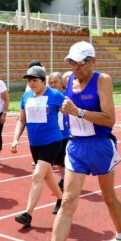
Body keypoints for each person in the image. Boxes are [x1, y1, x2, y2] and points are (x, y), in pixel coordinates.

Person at [31, 41, 121, 241]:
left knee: (108, 197)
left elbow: (109, 119)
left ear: (92, 61)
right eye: (71, 62)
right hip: (76, 146)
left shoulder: (102, 80)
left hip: (100, 146)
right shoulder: (69, 81)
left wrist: (79, 112)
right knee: (68, 201)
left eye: (79, 62)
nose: (75, 67)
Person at [11, 66, 65, 227]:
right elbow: (21, 120)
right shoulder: (26, 96)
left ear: (43, 81)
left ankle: (27, 214)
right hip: (34, 143)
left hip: (52, 141)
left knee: (37, 176)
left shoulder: (55, 95)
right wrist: (15, 139)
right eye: (29, 80)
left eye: (35, 80)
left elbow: (71, 111)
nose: (32, 83)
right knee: (47, 176)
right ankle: (62, 199)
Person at [48, 71, 70, 214]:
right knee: (58, 164)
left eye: (55, 82)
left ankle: (63, 189)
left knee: (63, 163)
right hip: (53, 136)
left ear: (62, 84)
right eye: (50, 83)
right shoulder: (48, 97)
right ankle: (63, 182)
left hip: (65, 135)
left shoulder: (65, 98)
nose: (52, 85)